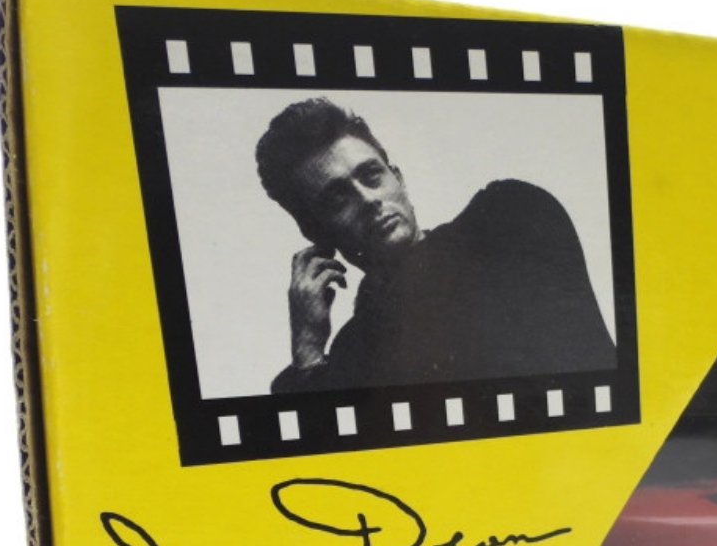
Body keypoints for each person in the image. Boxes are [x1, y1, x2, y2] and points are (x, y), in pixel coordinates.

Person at [255, 97, 616, 394]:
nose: (368, 200)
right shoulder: (353, 350)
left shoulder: (506, 217)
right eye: (338, 198)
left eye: (371, 175)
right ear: (314, 230)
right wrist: (307, 353)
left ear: (398, 178)